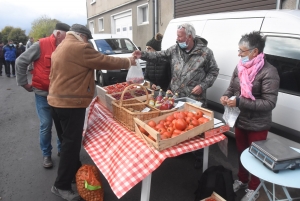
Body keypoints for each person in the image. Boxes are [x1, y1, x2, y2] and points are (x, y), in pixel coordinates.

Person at [47, 24, 136, 201]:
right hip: (70, 103)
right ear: (82, 36)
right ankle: (60, 185)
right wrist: (129, 61)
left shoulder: (62, 45)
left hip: (56, 101)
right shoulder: (80, 47)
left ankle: (74, 172)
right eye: (87, 38)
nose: (88, 42)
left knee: (67, 142)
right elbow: (105, 61)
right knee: (71, 146)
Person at [133, 23, 219, 168]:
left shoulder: (205, 53)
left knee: (197, 130)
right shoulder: (174, 50)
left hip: (195, 100)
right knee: (179, 127)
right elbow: (159, 55)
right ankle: (182, 152)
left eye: (180, 36)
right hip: (176, 98)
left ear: (189, 36)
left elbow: (213, 71)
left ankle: (199, 158)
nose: (177, 38)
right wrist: (142, 55)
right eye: (177, 35)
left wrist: (203, 85)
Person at [220, 31, 279, 201]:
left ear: (255, 52)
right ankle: (242, 179)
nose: (239, 54)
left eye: (242, 51)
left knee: (256, 158)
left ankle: (254, 188)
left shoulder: (269, 72)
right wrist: (226, 96)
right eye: (238, 50)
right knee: (241, 153)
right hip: (240, 120)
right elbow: (232, 87)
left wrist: (239, 102)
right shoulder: (239, 66)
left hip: (258, 124)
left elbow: (269, 103)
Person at [15, 22, 71, 169]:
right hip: (43, 94)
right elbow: (20, 61)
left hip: (60, 95)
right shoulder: (41, 45)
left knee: (61, 124)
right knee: (46, 124)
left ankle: (61, 150)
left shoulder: (66, 46)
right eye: (66, 36)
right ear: (58, 34)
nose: (68, 39)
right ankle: (46, 154)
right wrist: (23, 83)